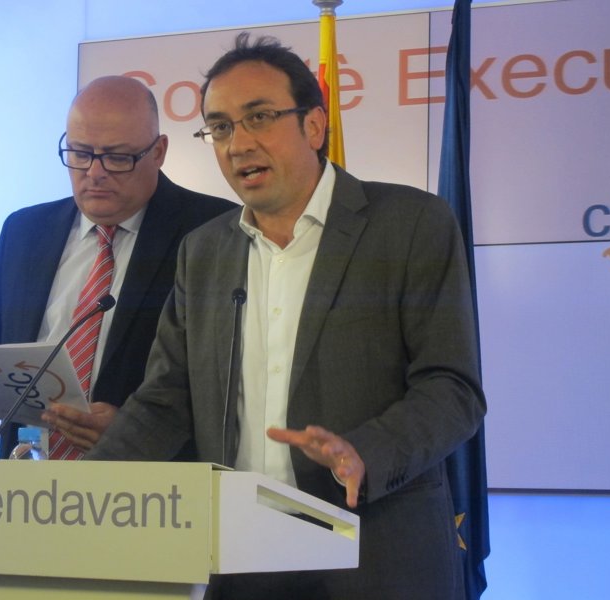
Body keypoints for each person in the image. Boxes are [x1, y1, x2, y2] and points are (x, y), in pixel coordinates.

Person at [79, 33, 486, 599]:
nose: (238, 143)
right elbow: (166, 398)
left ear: (314, 126)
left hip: (374, 555)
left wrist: (363, 453)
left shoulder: (410, 224)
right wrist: (79, 490)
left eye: (259, 118)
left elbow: (452, 389)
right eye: (220, 127)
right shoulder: (203, 251)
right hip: (240, 557)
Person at [0, 76, 235, 459]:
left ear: (158, 151)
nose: (94, 172)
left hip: (154, 485)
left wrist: (138, 434)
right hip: (23, 483)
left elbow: (229, 392)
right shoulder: (26, 232)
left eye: (117, 157)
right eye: (79, 153)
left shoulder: (214, 232)